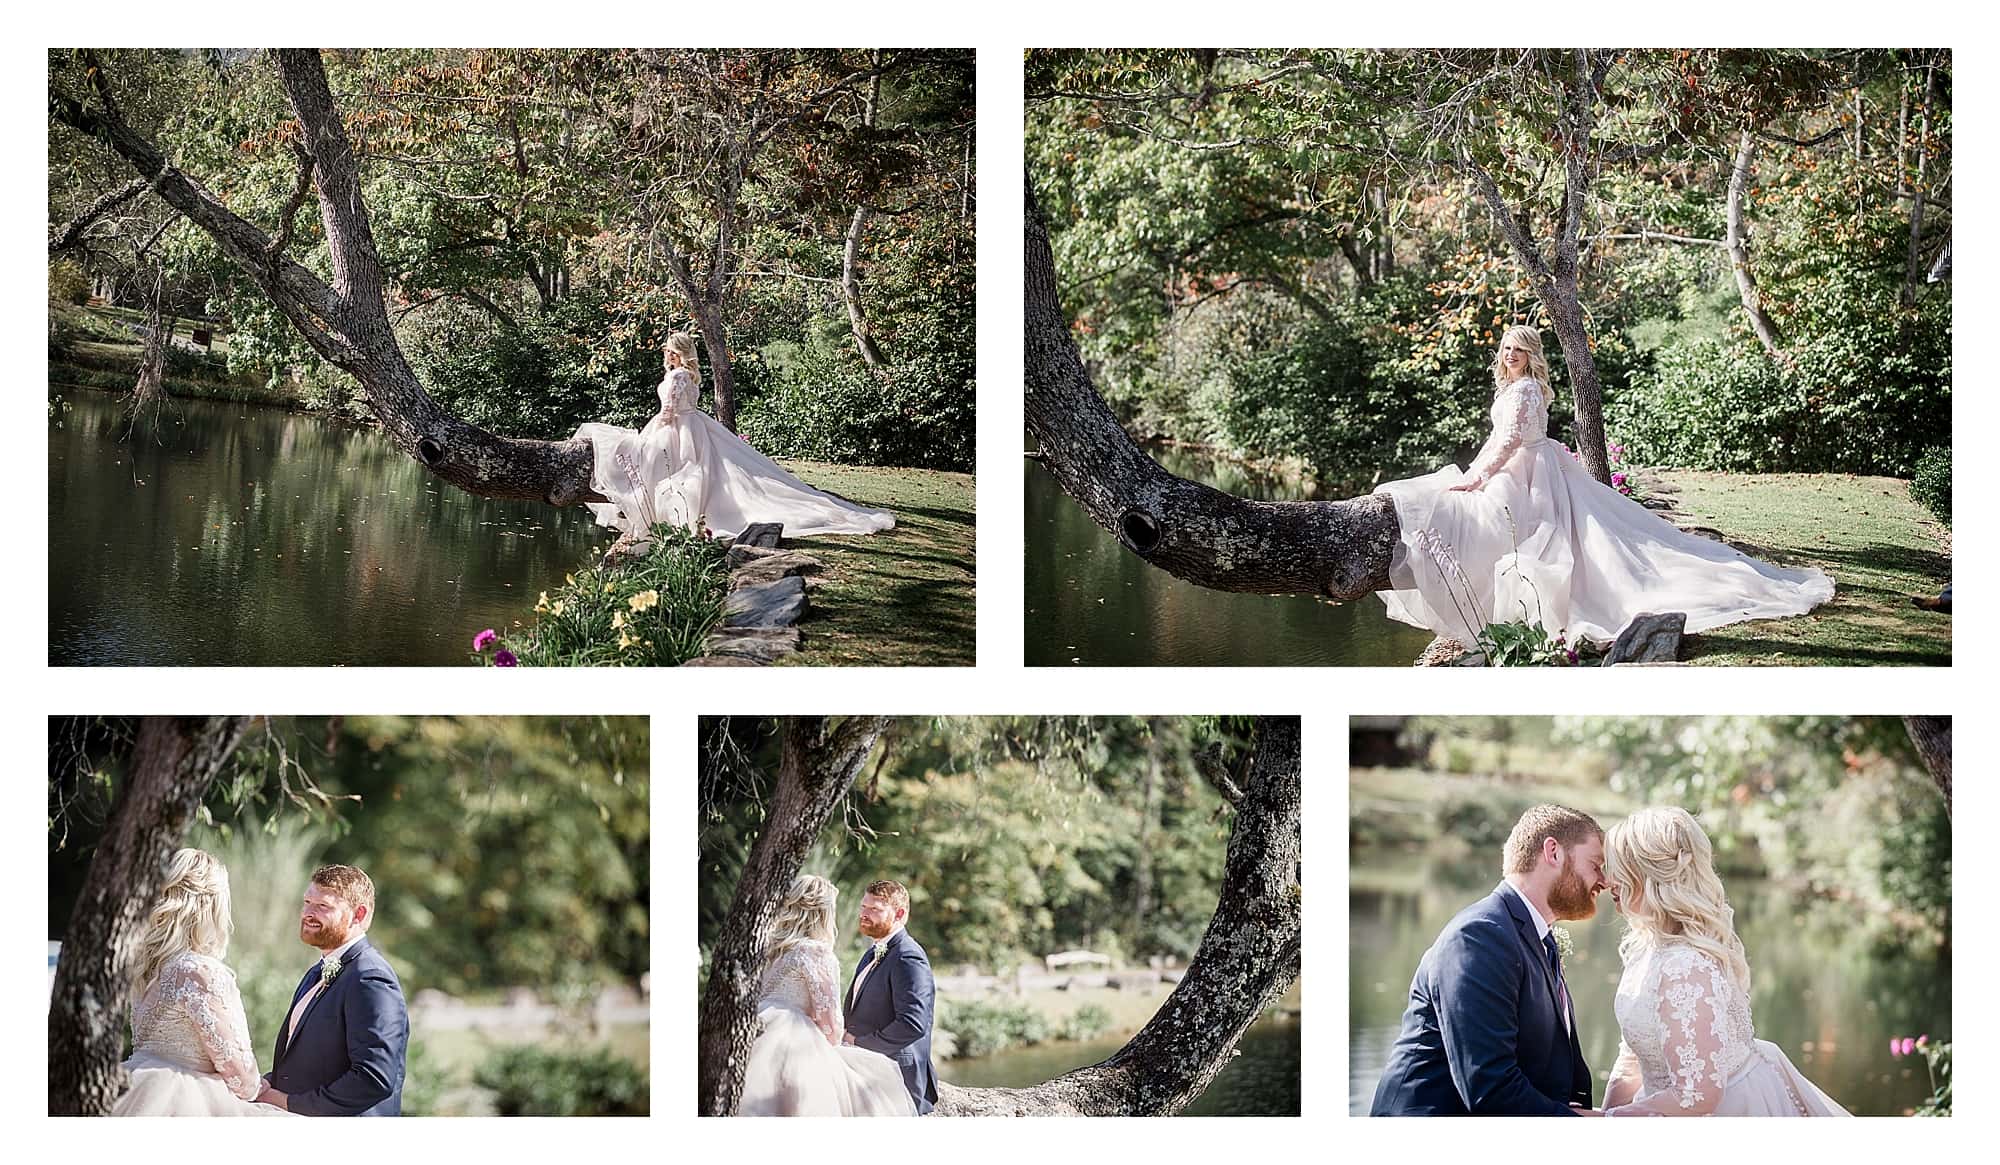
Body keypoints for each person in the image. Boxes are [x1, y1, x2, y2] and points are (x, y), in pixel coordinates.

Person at [1373, 326, 1833, 649]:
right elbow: (1497, 438)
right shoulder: (1509, 390)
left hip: (1530, 470)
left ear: (1532, 355)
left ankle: (1523, 613)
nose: (1510, 354)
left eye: (1518, 349)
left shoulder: (1528, 389)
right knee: (1492, 528)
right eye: (1506, 348)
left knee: (1537, 537)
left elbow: (1512, 439)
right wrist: (1474, 470)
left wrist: (1477, 478)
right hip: (1517, 466)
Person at [1599, 808, 1850, 1116]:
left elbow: (1697, 1095)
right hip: (1659, 1108)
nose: (1608, 880)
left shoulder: (1686, 966)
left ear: (1649, 874)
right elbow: (1632, 1059)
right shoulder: (1645, 945)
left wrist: (1610, 1120)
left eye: (1618, 868)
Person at [1370, 805, 1605, 1116]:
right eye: (1596, 865)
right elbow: (1490, 1089)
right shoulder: (1480, 936)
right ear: (1553, 853)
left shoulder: (1537, 938)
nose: (1604, 880)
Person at [573, 333, 894, 549]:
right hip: (692, 425)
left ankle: (667, 520)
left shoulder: (677, 376)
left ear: (678, 353)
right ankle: (661, 520)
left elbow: (669, 409)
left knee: (664, 466)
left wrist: (649, 432)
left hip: (675, 428)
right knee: (693, 473)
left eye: (670, 350)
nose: (666, 354)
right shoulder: (689, 375)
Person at [111, 849, 295, 1116]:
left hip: (137, 1089)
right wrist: (259, 1087)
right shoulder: (200, 971)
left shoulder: (147, 971)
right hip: (190, 1102)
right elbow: (241, 1077)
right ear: (211, 905)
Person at [737, 875, 915, 1116]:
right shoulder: (817, 952)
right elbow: (831, 1028)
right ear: (825, 912)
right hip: (796, 1043)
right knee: (876, 1078)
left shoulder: (769, 949)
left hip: (755, 1034)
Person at [257, 864, 410, 1115]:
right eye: (307, 902)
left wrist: (288, 1103)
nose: (308, 913)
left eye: (323, 906)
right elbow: (315, 1063)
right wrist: (268, 1084)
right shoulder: (316, 972)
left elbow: (374, 1078)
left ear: (358, 915)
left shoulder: (370, 978)